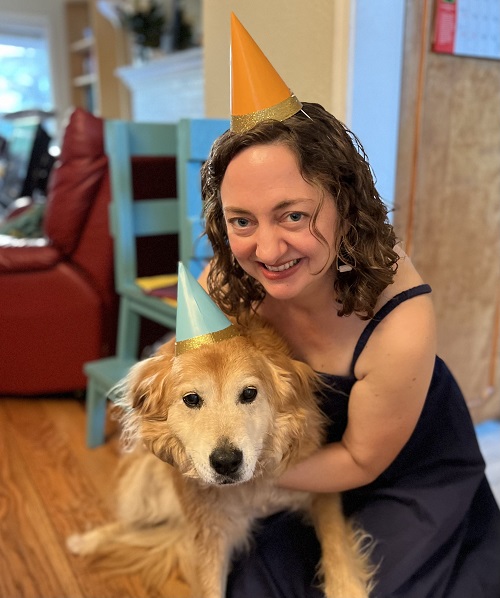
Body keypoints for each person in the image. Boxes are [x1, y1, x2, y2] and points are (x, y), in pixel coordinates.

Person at [198, 14, 500, 598]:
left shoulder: (402, 320)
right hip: (291, 453)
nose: (266, 248)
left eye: (293, 215)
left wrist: (246, 472)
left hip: (398, 470)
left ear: (344, 202)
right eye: (242, 221)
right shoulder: (223, 286)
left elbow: (362, 460)